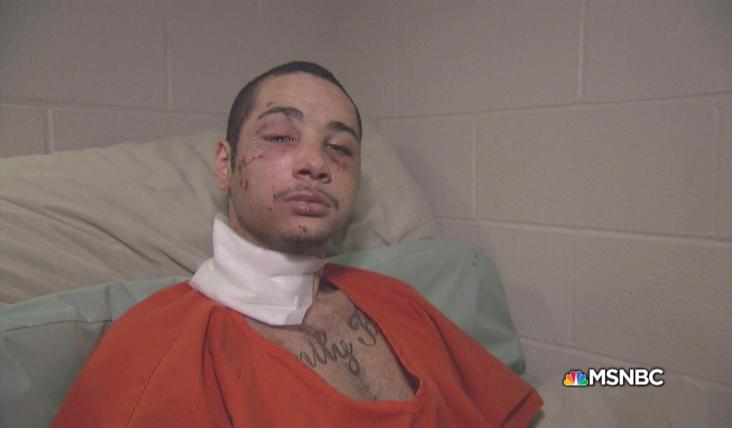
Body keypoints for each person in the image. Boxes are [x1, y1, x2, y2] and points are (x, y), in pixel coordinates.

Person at [52, 61, 542, 427]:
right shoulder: (152, 352)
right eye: (281, 137)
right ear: (225, 164)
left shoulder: (399, 302)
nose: (315, 163)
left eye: (339, 147)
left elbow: (519, 399)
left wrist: (585, 376)